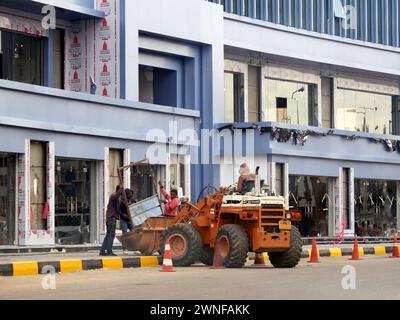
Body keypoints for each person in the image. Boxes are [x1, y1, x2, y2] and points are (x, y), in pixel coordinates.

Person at [100, 186, 123, 256]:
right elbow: (116, 196)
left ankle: (102, 251)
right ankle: (109, 251)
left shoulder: (117, 198)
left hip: (111, 218)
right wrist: (120, 191)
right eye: (121, 190)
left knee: (108, 235)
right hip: (111, 218)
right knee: (111, 235)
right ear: (118, 190)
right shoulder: (113, 196)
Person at [120, 188, 135, 255]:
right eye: (129, 194)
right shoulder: (122, 201)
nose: (130, 195)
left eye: (131, 193)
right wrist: (123, 215)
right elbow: (118, 210)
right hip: (124, 220)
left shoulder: (133, 200)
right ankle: (124, 249)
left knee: (134, 234)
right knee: (125, 234)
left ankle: (135, 248)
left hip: (131, 220)